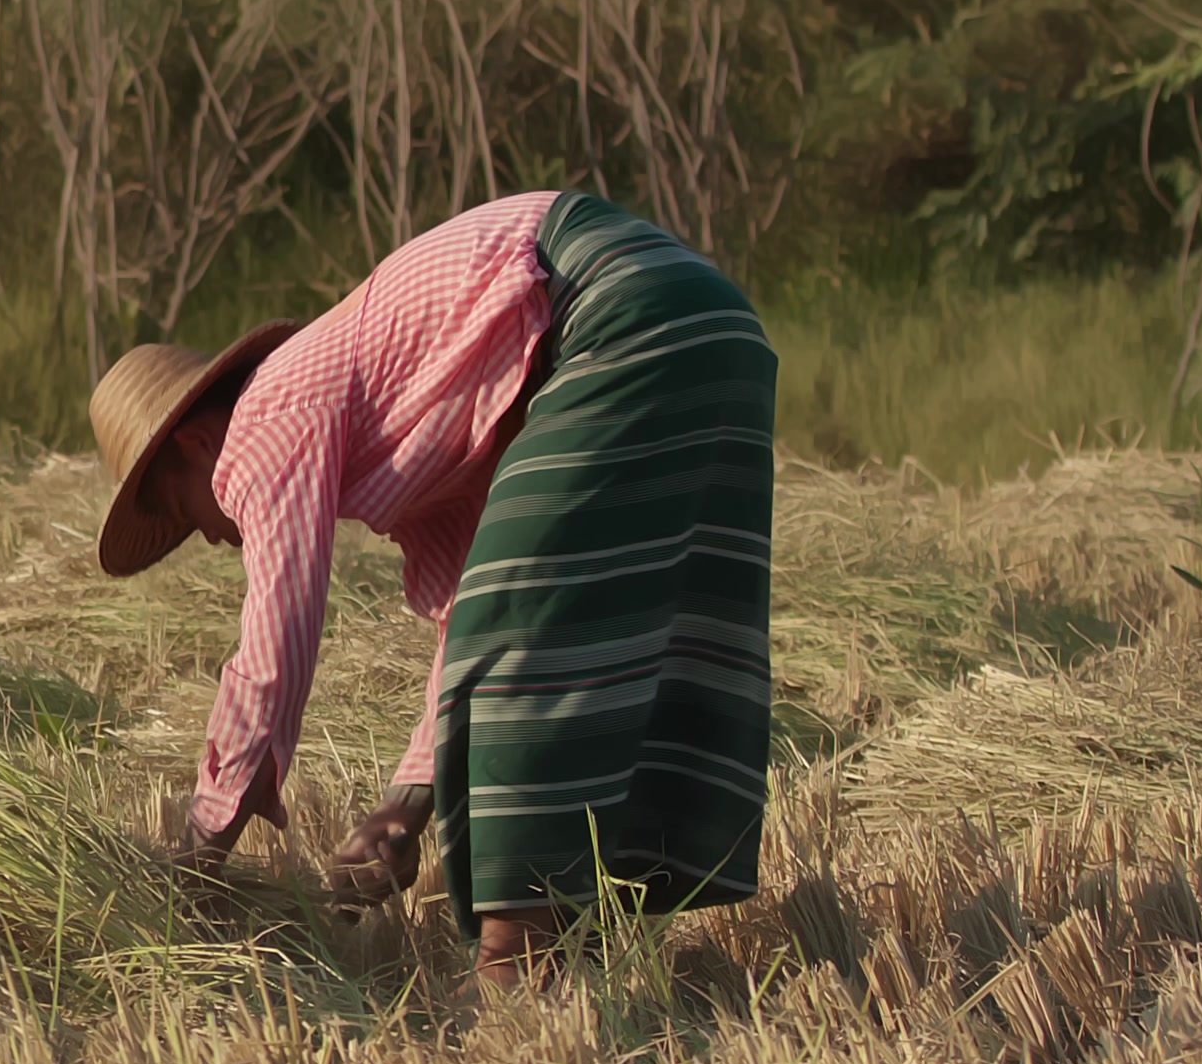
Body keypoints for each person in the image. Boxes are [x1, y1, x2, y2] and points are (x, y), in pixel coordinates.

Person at [89, 194, 776, 986]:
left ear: (197, 442)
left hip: (617, 304)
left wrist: (198, 850)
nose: (209, 535)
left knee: (522, 630)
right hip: (709, 315)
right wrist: (402, 809)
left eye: (184, 511)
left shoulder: (264, 417)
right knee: (605, 625)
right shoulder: (417, 431)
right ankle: (571, 954)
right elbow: (461, 622)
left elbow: (274, 645)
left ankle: (514, 977)